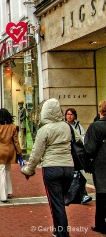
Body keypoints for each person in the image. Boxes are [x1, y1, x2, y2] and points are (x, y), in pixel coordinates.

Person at [21, 99, 81, 237]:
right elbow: (80, 141)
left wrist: (29, 169)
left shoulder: (44, 130)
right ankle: (58, 229)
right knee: (61, 199)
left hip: (51, 167)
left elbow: (36, 153)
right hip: (68, 167)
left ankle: (62, 233)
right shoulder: (67, 126)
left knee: (56, 203)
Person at [0, 108, 22, 202]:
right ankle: (9, 191)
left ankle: (3, 195)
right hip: (10, 151)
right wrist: (20, 152)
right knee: (7, 170)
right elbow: (16, 142)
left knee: (2, 172)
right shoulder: (13, 127)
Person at [84, 99, 106, 234]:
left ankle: (101, 224)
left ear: (100, 111)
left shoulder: (95, 126)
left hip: (101, 164)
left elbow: (89, 148)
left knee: (102, 194)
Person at [64, 107, 92, 204]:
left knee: (78, 175)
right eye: (68, 114)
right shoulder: (63, 126)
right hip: (67, 154)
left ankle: (80, 196)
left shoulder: (78, 126)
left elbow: (83, 138)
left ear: (75, 116)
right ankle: (78, 196)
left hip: (76, 154)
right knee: (76, 176)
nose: (69, 116)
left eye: (71, 114)